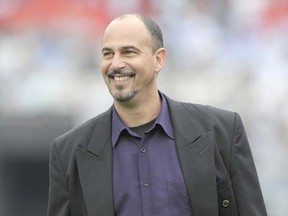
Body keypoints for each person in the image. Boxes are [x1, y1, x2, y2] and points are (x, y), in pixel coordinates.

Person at [47, 14, 267, 216]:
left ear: (159, 59)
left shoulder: (222, 132)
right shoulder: (68, 153)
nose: (115, 64)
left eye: (128, 52)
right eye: (108, 54)